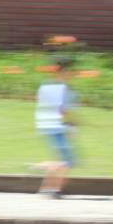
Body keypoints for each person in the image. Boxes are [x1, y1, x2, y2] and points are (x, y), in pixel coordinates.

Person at [34, 57, 78, 198]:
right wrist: (72, 124)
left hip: (46, 125)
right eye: (71, 71)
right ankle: (53, 190)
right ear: (64, 71)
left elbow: (40, 102)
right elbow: (63, 109)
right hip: (58, 126)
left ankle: (47, 189)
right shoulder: (63, 88)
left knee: (60, 157)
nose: (72, 74)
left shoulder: (45, 86)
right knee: (67, 160)